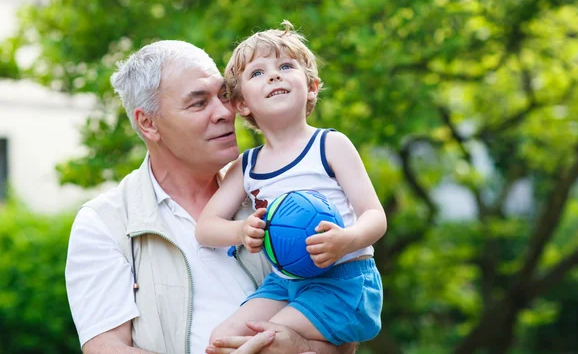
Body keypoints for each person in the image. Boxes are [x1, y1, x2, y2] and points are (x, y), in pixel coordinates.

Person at [64, 40, 356, 354]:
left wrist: (295, 346)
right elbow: (105, 348)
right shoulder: (105, 223)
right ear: (148, 123)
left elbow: (344, 327)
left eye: (224, 96)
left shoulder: (276, 194)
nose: (224, 113)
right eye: (199, 103)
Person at [196, 21, 386, 347]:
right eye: (257, 73)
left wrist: (346, 239)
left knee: (265, 342)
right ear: (241, 104)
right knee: (221, 339)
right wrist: (240, 232)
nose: (274, 75)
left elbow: (374, 215)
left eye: (286, 66)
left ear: (311, 86)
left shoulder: (330, 146)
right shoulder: (247, 165)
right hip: (284, 283)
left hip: (344, 283)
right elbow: (206, 228)